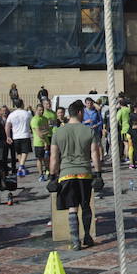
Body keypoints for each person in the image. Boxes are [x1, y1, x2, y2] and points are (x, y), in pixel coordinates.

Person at [50, 100, 101, 250]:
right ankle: (86, 235)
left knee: (72, 207)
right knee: (85, 205)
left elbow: (54, 157)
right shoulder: (89, 131)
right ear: (80, 113)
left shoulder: (58, 132)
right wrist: (98, 174)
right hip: (84, 173)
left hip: (66, 174)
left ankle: (75, 240)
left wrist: (52, 177)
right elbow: (95, 155)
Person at [5, 98, 32, 177]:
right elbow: (32, 123)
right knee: (25, 152)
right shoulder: (27, 113)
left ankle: (21, 167)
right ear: (22, 104)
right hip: (25, 135)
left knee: (19, 152)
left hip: (16, 136)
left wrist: (8, 136)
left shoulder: (12, 114)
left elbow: (7, 126)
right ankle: (21, 166)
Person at [30, 103, 50, 180]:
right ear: (36, 110)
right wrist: (44, 141)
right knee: (39, 159)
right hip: (38, 143)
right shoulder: (35, 120)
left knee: (47, 159)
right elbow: (39, 134)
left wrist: (44, 131)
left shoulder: (44, 119)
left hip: (46, 141)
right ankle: (41, 174)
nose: (41, 111)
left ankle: (48, 171)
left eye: (42, 110)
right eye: (39, 110)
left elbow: (48, 130)